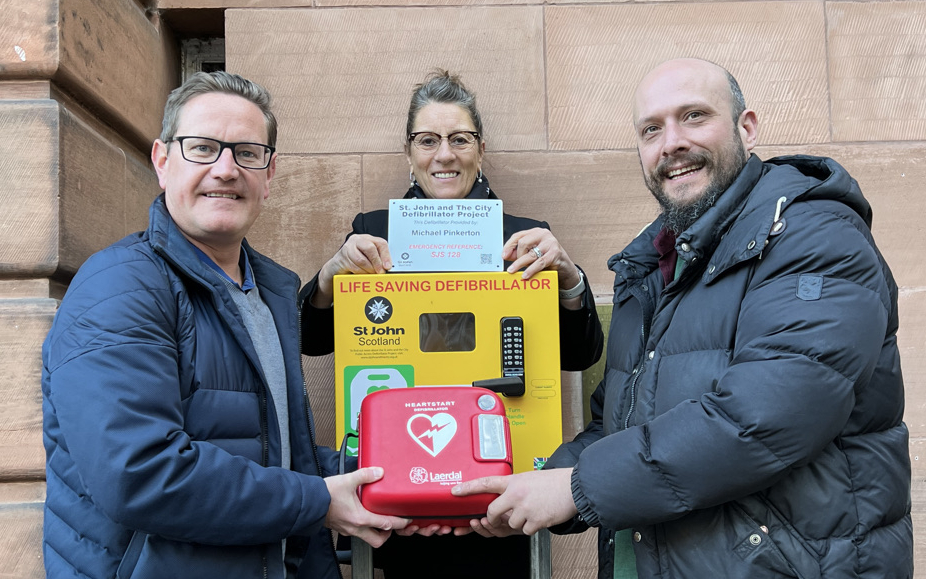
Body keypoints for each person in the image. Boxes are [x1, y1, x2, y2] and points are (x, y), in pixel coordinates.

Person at [452, 58, 913, 578]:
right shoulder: (652, 267)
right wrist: (516, 487)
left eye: (694, 116)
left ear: (747, 127)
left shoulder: (814, 236)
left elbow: (761, 420)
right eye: (652, 129)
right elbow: (616, 427)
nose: (671, 142)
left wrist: (576, 489)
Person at [41, 71, 407, 579]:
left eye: (247, 152)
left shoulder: (268, 292)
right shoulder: (119, 286)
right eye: (203, 148)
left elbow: (275, 453)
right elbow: (140, 474)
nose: (226, 169)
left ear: (270, 173)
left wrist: (402, 477)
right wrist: (317, 500)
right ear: (162, 161)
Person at [298, 70, 604, 577]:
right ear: (409, 151)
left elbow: (579, 355)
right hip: (402, 490)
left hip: (498, 488)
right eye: (428, 140)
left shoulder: (526, 238)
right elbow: (311, 341)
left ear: (480, 149)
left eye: (459, 139)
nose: (444, 154)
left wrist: (569, 279)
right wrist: (331, 275)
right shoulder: (373, 232)